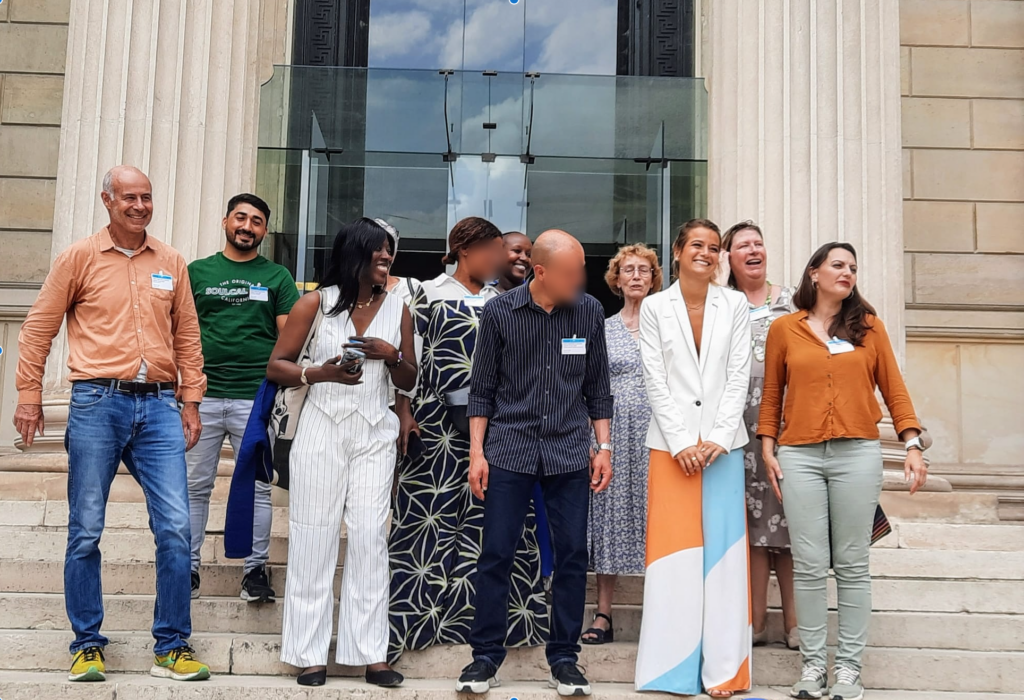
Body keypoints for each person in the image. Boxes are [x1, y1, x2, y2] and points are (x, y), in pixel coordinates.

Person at [13, 165, 211, 683]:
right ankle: (86, 645)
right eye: (129, 197)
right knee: (85, 530)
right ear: (107, 200)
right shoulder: (79, 257)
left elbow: (187, 334)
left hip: (160, 406)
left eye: (146, 197)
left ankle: (172, 645)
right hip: (97, 402)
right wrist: (29, 396)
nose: (140, 206)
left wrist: (191, 399)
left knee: (175, 527)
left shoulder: (171, 261)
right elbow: (37, 329)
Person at [758, 242, 927, 700]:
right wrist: (767, 447)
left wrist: (912, 445)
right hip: (800, 456)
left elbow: (895, 391)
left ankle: (849, 668)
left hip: (857, 454)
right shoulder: (784, 329)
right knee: (810, 566)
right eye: (837, 265)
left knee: (852, 564)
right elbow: (772, 394)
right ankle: (813, 666)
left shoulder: (869, 328)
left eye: (852, 267)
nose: (847, 272)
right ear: (813, 273)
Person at [456, 229, 614, 698]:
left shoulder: (588, 312)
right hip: (509, 448)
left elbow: (598, 388)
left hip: (568, 452)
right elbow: (481, 389)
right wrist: (477, 453)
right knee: (497, 555)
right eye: (571, 272)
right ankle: (484, 658)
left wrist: (603, 447)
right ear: (541, 272)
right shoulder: (501, 312)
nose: (580, 279)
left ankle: (564, 659)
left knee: (571, 556)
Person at [388, 218, 549, 662]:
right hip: (435, 425)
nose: (503, 259)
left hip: (500, 428)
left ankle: (490, 626)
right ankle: (412, 622)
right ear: (464, 250)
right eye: (495, 250)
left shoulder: (511, 301)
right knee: (425, 522)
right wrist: (404, 411)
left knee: (495, 525)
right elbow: (408, 358)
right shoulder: (424, 293)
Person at [267, 218, 417, 688]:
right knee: (314, 536)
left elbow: (410, 379)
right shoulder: (317, 302)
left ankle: (371, 654)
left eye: (389, 253)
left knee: (371, 538)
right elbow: (277, 367)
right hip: (321, 430)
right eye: (378, 252)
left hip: (375, 433)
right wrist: (322, 374)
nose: (386, 259)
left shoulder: (400, 308)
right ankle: (309, 654)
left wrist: (391, 355)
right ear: (354, 254)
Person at [634, 219, 752, 698]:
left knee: (725, 561)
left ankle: (725, 671)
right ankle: (670, 671)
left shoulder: (736, 303)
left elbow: (739, 372)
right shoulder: (655, 308)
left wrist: (719, 438)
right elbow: (654, 380)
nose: (706, 253)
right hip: (670, 449)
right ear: (678, 251)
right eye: (697, 245)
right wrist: (682, 441)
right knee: (673, 561)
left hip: (723, 449)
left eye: (714, 247)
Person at [186, 193, 299, 603]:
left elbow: (290, 336)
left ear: (264, 231)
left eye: (256, 221)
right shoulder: (196, 272)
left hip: (256, 399)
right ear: (225, 221)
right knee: (195, 485)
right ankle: (188, 568)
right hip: (202, 396)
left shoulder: (277, 277)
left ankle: (255, 571)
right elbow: (180, 331)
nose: (247, 226)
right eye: (240, 218)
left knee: (258, 487)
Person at [720, 221, 799, 649]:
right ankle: (755, 622)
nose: (753, 250)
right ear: (728, 258)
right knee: (751, 526)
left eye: (758, 243)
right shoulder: (722, 303)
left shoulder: (792, 301)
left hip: (786, 424)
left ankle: (794, 622)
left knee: (785, 524)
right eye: (742, 245)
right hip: (734, 428)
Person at [582, 244, 661, 645]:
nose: (636, 276)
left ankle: (659, 612)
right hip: (612, 434)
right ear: (616, 278)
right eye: (628, 270)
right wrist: (598, 442)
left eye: (644, 270)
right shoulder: (603, 326)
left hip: (657, 434)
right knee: (609, 517)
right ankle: (604, 614)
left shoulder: (668, 325)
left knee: (657, 517)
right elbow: (591, 385)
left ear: (654, 278)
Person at [490, 230, 555, 597]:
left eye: (529, 253)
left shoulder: (551, 303)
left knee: (544, 515)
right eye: (516, 250)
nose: (523, 259)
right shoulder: (487, 304)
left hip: (547, 434)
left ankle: (546, 576)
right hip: (501, 434)